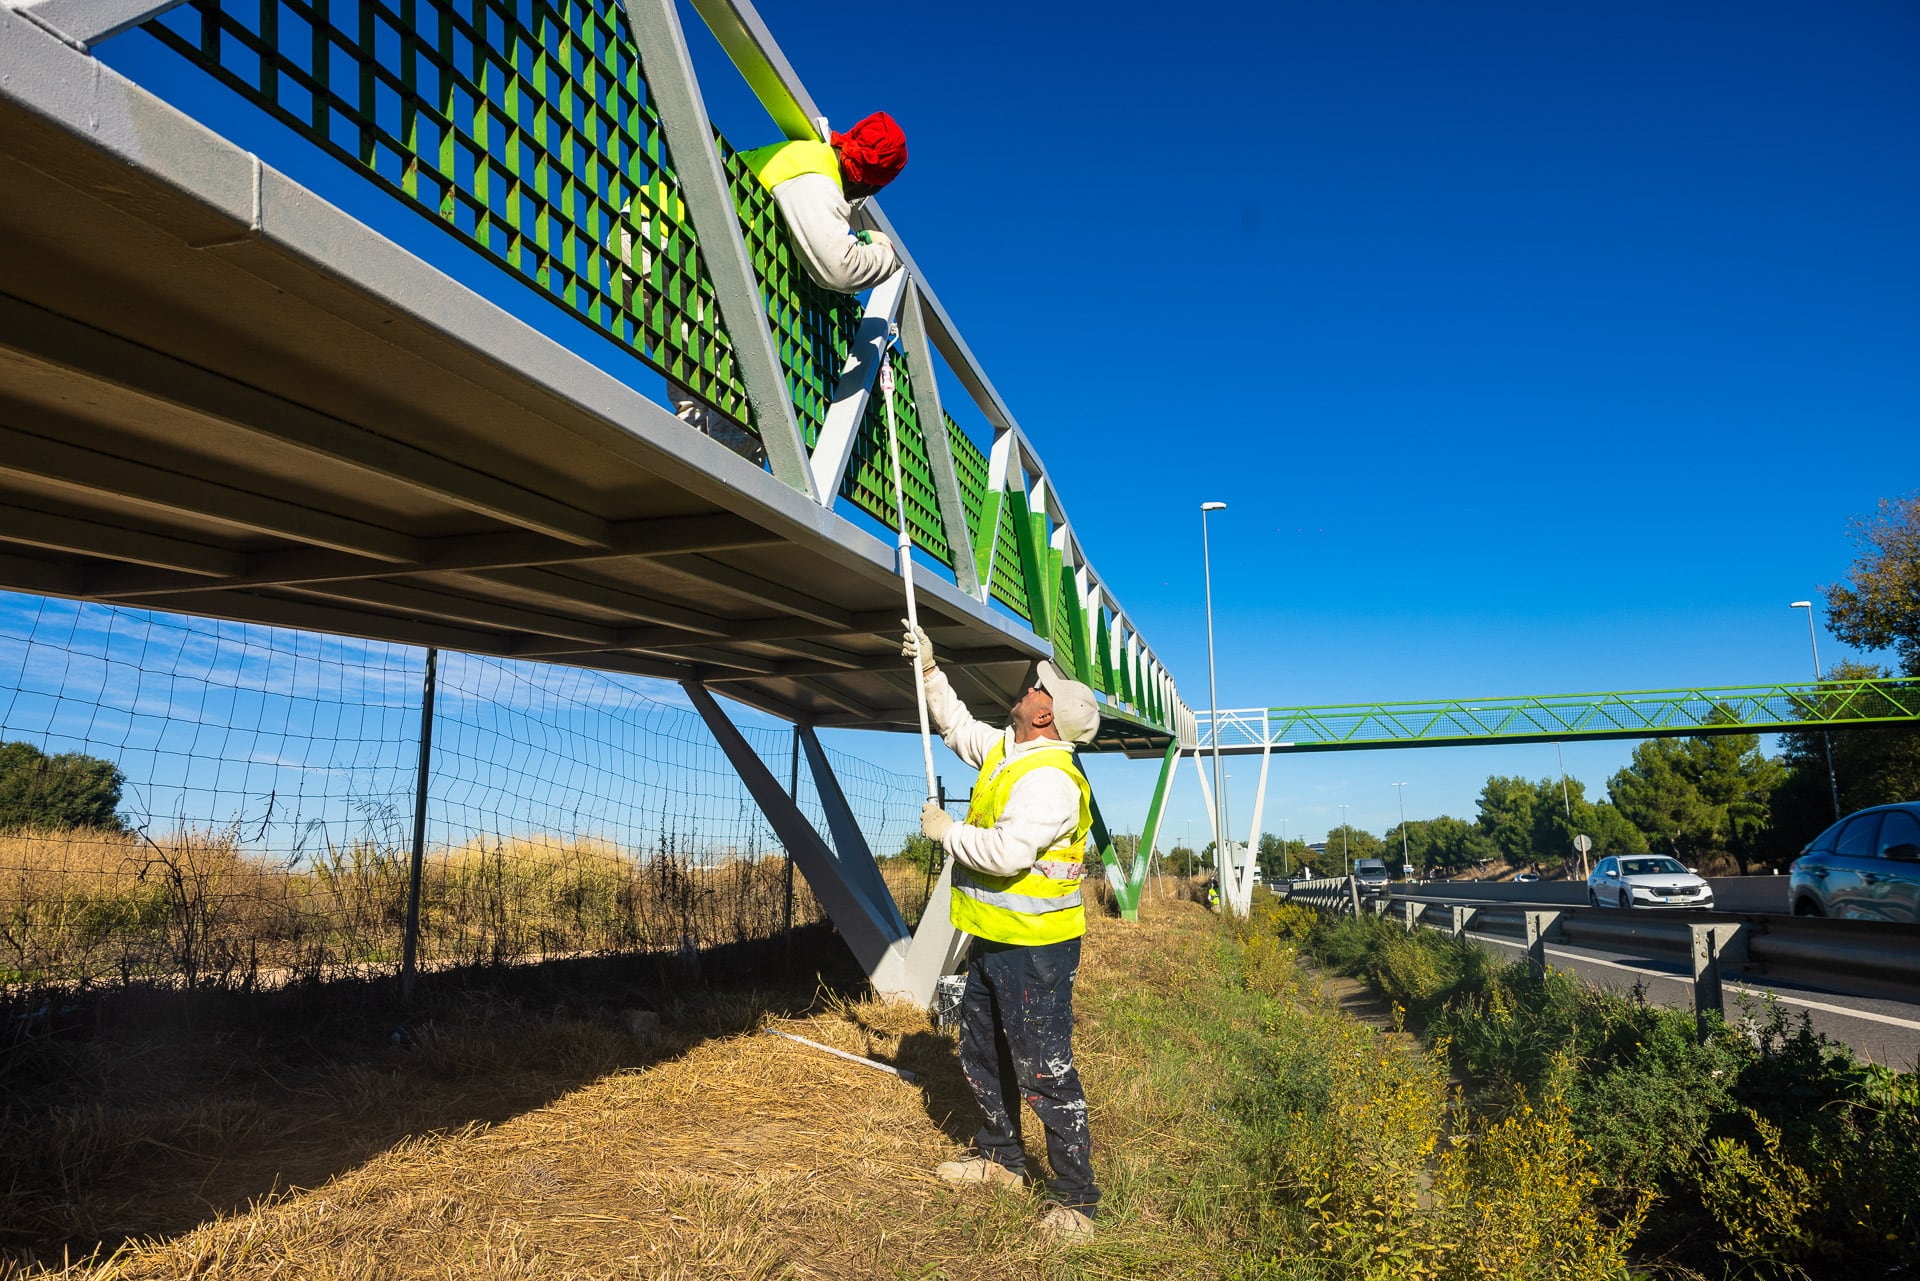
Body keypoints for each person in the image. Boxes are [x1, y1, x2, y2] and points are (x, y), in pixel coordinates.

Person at [902, 621, 1102, 1244]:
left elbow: (1008, 853)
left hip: (1035, 950)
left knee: (1043, 1067)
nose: (1026, 686)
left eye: (1036, 687)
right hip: (990, 936)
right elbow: (959, 728)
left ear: (1044, 715)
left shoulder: (1049, 779)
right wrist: (931, 672)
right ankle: (1002, 1161)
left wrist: (946, 833)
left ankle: (1076, 1202)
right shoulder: (1010, 752)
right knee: (982, 1050)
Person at [738, 112, 907, 294]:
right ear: (872, 186)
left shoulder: (807, 155)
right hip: (713, 261)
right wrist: (884, 251)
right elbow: (840, 271)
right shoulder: (817, 181)